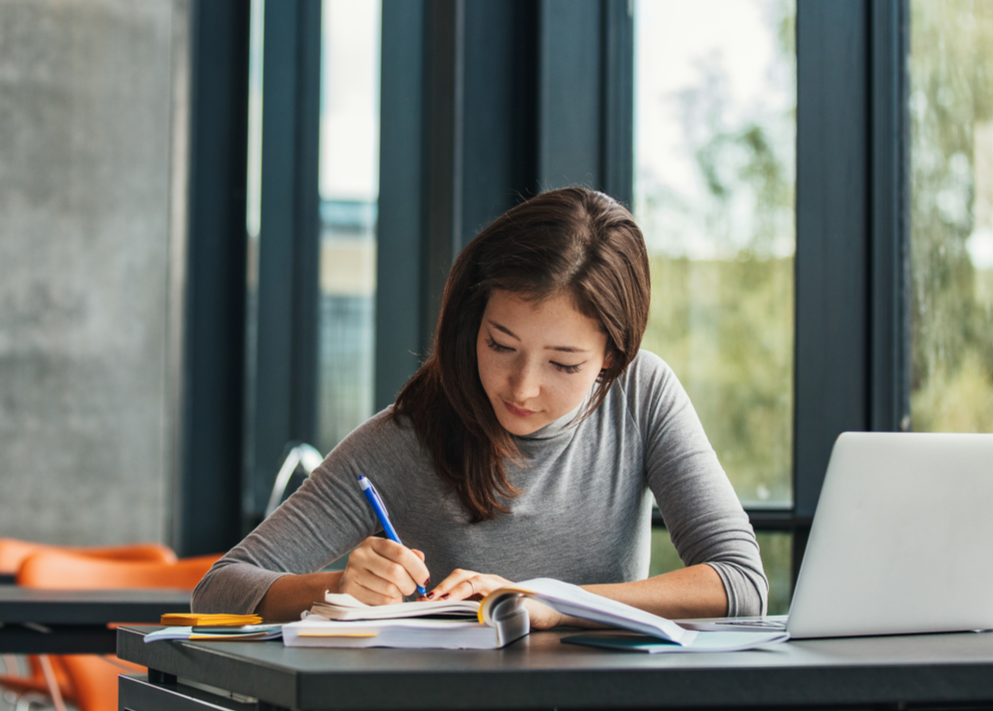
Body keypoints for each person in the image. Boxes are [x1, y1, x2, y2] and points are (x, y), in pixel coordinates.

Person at [192, 186, 767, 627]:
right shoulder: (408, 436)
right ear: (472, 322)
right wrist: (337, 586)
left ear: (612, 358)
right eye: (500, 345)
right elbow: (218, 589)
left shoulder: (641, 395)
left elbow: (740, 582)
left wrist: (546, 600)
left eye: (563, 365)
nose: (521, 387)